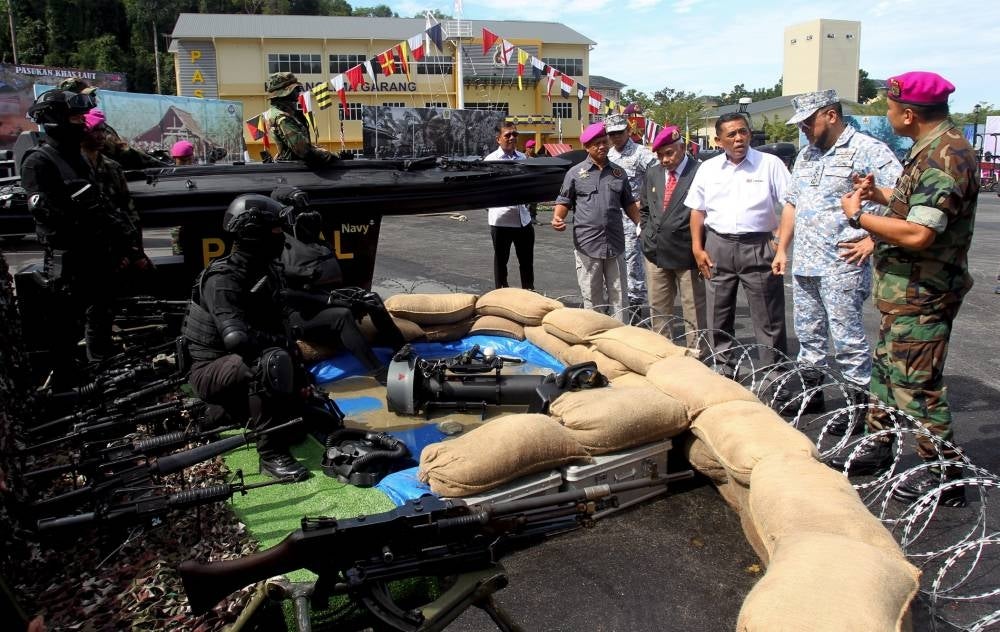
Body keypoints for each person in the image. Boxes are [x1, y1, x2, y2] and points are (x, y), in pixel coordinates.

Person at [832, 72, 979, 507]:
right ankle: (880, 446)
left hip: (924, 293)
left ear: (909, 115)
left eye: (892, 108)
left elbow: (918, 233)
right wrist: (880, 194)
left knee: (917, 386)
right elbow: (921, 203)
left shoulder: (944, 158)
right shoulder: (932, 150)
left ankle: (945, 475)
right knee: (886, 375)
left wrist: (858, 216)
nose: (889, 114)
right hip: (906, 293)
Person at [772, 90, 902, 423]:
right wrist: (783, 248)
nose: (802, 129)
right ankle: (811, 395)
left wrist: (873, 240)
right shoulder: (806, 155)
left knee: (847, 338)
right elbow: (792, 204)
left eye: (807, 122)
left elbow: (902, 199)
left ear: (830, 115)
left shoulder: (868, 150)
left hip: (842, 264)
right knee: (809, 335)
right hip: (806, 263)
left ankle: (857, 406)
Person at [182, 194, 311, 481]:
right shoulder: (223, 279)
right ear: (253, 233)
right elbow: (237, 340)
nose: (281, 236)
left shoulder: (265, 269)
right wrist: (281, 346)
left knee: (299, 424)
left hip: (237, 363)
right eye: (275, 230)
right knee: (269, 360)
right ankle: (271, 455)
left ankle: (218, 414)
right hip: (210, 369)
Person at [21, 90, 148, 368]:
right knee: (66, 335)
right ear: (56, 120)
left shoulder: (76, 158)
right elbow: (54, 219)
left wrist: (120, 249)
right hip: (71, 264)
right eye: (76, 118)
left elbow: (104, 208)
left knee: (101, 328)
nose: (83, 123)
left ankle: (100, 374)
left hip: (99, 260)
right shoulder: (39, 162)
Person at [685, 112, 791, 377]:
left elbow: (791, 204)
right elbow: (697, 210)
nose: (739, 138)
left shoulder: (770, 164)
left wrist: (780, 244)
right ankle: (724, 368)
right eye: (731, 134)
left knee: (768, 316)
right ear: (718, 140)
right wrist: (698, 248)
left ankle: (775, 376)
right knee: (718, 313)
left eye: (743, 132)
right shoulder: (708, 169)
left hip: (759, 246)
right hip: (718, 246)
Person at [273, 187, 404, 366]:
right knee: (341, 315)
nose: (307, 215)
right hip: (298, 315)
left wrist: (350, 297)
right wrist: (330, 301)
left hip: (324, 303)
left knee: (371, 299)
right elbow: (286, 294)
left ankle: (402, 351)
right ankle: (378, 371)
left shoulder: (315, 242)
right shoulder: (277, 247)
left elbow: (332, 277)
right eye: (298, 212)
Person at [552, 121, 641, 320]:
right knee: (592, 296)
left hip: (615, 243)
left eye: (604, 142)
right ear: (586, 147)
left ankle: (619, 334)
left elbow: (629, 203)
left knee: (619, 296)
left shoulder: (619, 173)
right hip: (587, 243)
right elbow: (564, 200)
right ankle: (595, 334)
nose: (602, 146)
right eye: (596, 144)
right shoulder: (575, 174)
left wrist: (640, 224)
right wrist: (558, 218)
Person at [639, 125, 706, 347]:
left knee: (693, 308)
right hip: (656, 251)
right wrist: (646, 235)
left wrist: (700, 246)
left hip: (688, 252)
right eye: (660, 155)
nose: (665, 160)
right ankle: (663, 351)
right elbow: (645, 209)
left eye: (669, 153)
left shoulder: (699, 172)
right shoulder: (653, 173)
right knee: (658, 307)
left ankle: (697, 353)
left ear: (683, 148)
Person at [58, 77, 170, 169]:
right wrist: (160, 166)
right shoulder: (90, 124)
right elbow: (122, 151)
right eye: (87, 96)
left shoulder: (67, 124)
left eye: (92, 95)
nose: (93, 99)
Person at [607, 113, 656, 315]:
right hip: (612, 216)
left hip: (632, 215)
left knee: (632, 260)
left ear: (628, 131)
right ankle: (615, 302)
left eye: (619, 133)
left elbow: (658, 177)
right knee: (611, 260)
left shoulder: (641, 153)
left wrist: (644, 201)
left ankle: (635, 305)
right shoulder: (608, 155)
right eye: (612, 134)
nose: (616, 137)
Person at [484, 123, 534, 290]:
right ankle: (501, 294)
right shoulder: (490, 161)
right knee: (501, 262)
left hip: (523, 220)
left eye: (515, 134)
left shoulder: (523, 158)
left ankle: (529, 293)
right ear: (498, 139)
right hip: (501, 221)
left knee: (526, 261)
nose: (512, 138)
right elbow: (485, 191)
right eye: (507, 135)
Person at [265, 72, 339, 167]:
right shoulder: (283, 118)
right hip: (296, 169)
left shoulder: (284, 112)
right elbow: (303, 151)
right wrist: (332, 156)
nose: (299, 91)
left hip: (295, 166)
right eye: (296, 89)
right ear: (286, 93)